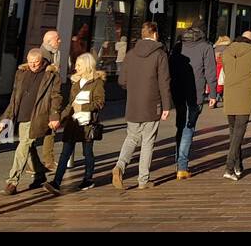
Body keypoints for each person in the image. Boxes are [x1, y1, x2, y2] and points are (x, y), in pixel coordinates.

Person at [113, 22, 172, 190]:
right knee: (148, 141)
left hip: (133, 102)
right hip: (152, 103)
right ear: (155, 34)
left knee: (131, 137)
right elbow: (164, 82)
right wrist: (167, 106)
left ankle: (119, 166)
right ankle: (143, 180)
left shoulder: (131, 54)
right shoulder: (160, 54)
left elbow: (121, 81)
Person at [0, 47, 62, 195]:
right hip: (21, 115)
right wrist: (6, 118)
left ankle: (12, 181)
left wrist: (54, 116)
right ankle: (40, 175)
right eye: (31, 62)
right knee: (28, 147)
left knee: (23, 145)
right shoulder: (21, 73)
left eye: (36, 62)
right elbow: (14, 97)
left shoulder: (51, 75)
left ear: (42, 61)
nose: (33, 65)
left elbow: (56, 97)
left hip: (38, 116)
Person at [51, 51, 104, 193]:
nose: (76, 67)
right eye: (76, 65)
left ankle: (88, 179)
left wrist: (84, 107)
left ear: (87, 65)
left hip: (87, 124)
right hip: (73, 123)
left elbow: (100, 103)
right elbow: (70, 104)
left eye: (79, 65)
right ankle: (56, 182)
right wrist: (59, 118)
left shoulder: (96, 83)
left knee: (87, 152)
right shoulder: (75, 83)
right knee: (65, 153)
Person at [170, 25, 217, 176]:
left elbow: (170, 68)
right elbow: (210, 72)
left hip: (178, 91)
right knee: (188, 128)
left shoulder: (178, 46)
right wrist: (213, 94)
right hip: (195, 93)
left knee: (180, 125)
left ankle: (178, 160)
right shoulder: (206, 47)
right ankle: (182, 166)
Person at [220, 29, 251, 180]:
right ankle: (229, 167)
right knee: (239, 133)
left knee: (234, 133)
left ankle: (238, 166)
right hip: (244, 96)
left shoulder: (227, 51)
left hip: (229, 95)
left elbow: (226, 69)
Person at [39, 29, 62, 171]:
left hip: (51, 98)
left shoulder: (55, 54)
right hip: (44, 100)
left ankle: (48, 160)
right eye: (57, 39)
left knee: (50, 130)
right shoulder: (42, 56)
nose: (59, 41)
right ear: (48, 41)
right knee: (40, 131)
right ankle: (40, 161)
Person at [213, 34, 230, 103]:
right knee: (223, 82)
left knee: (215, 82)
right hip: (224, 66)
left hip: (215, 66)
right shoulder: (228, 48)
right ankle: (221, 96)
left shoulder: (215, 48)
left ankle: (213, 98)